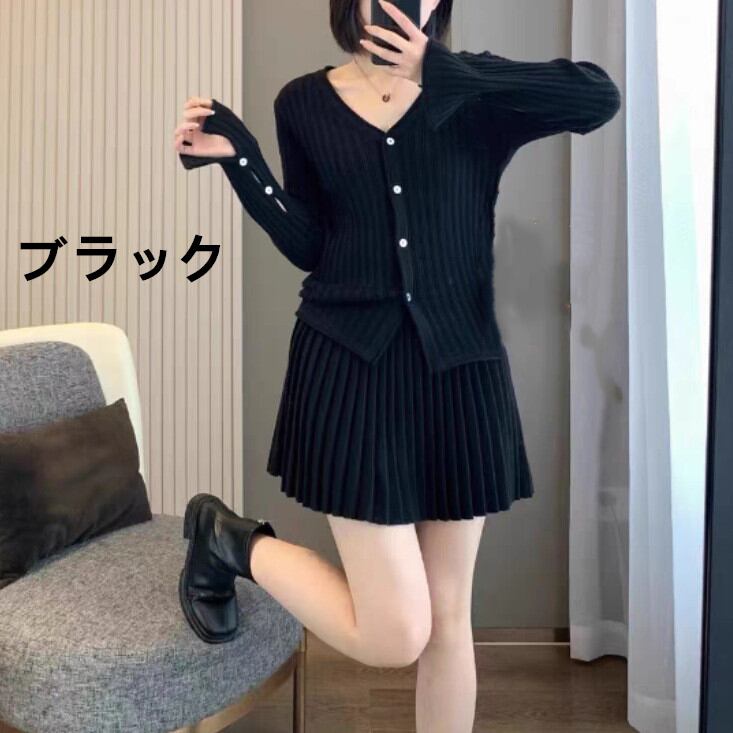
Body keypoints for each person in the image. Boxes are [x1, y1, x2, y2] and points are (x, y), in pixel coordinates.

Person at [172, 1, 621, 729]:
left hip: (460, 374)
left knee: (448, 617)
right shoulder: (303, 102)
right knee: (395, 633)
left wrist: (441, 72)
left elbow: (597, 97)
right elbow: (312, 246)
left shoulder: (474, 90)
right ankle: (228, 539)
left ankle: (225, 538)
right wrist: (242, 162)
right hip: (348, 369)